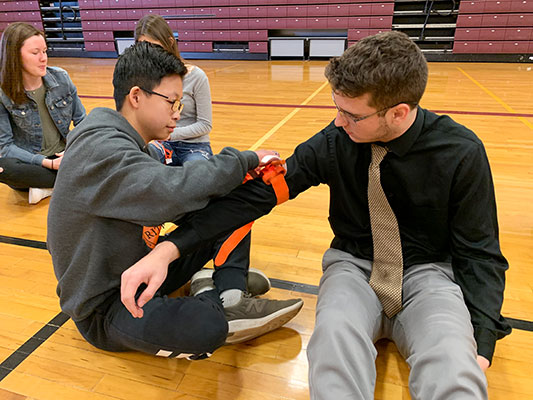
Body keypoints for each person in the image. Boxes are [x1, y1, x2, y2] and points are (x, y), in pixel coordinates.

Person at [137, 32, 512, 398]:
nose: (337, 122)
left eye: (351, 114)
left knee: (454, 368)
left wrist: (480, 346)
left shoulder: (460, 152)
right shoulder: (334, 142)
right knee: (329, 348)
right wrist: (169, 249)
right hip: (352, 269)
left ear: (398, 112)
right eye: (337, 108)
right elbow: (252, 199)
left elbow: (480, 253)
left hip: (428, 274)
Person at [47, 42, 303, 360]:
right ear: (137, 97)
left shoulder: (125, 139)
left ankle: (231, 291)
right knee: (206, 328)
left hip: (144, 268)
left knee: (231, 201)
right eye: (172, 102)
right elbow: (169, 193)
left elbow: (184, 190)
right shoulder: (100, 148)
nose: (177, 113)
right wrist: (244, 160)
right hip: (107, 306)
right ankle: (214, 292)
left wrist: (232, 178)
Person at [0, 22, 86, 203]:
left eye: (45, 51)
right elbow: (5, 147)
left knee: (97, 147)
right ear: (15, 56)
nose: (43, 58)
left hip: (66, 154)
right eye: (35, 53)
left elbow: (82, 122)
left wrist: (72, 148)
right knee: (3, 167)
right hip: (34, 162)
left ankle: (50, 186)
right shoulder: (2, 93)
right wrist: (48, 163)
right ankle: (72, 180)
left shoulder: (61, 78)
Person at [135, 14, 213, 166]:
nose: (150, 54)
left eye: (155, 47)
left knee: (196, 175)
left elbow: (205, 125)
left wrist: (169, 135)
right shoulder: (144, 78)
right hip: (160, 143)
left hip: (194, 146)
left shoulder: (196, 76)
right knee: (141, 166)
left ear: (170, 43)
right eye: (143, 47)